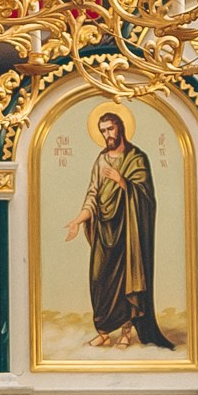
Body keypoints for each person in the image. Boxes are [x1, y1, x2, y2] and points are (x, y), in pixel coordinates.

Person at [64, 105, 171, 348]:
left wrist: (122, 181)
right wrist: (78, 220)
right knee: (99, 279)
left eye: (110, 129)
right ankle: (103, 331)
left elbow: (146, 196)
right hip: (104, 230)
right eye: (102, 131)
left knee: (127, 281)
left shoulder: (137, 158)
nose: (107, 135)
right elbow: (93, 194)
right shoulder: (101, 159)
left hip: (128, 231)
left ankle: (126, 332)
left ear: (120, 128)